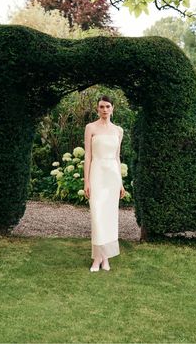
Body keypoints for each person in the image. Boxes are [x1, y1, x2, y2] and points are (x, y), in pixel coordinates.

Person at [84, 95, 125, 272]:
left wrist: (121, 183)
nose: (105, 110)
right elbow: (88, 156)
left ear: (113, 108)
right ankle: (96, 258)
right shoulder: (90, 128)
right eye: (101, 107)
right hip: (96, 173)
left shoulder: (118, 130)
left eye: (108, 106)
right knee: (97, 215)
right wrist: (86, 181)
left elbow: (117, 157)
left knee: (109, 217)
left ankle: (104, 257)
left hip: (112, 177)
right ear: (97, 109)